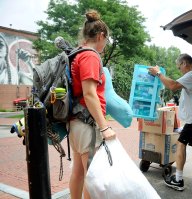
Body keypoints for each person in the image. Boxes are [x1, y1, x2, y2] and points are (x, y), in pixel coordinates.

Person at [148, 53, 192, 192]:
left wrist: (158, 74)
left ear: (185, 63)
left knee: (180, 144)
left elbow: (172, 85)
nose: (180, 70)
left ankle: (178, 180)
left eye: (180, 67)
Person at [69, 9, 116, 199]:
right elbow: (89, 94)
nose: (105, 44)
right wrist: (104, 127)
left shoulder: (77, 53)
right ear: (100, 35)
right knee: (92, 175)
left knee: (79, 172)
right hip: (86, 123)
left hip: (76, 121)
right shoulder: (90, 56)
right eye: (106, 40)